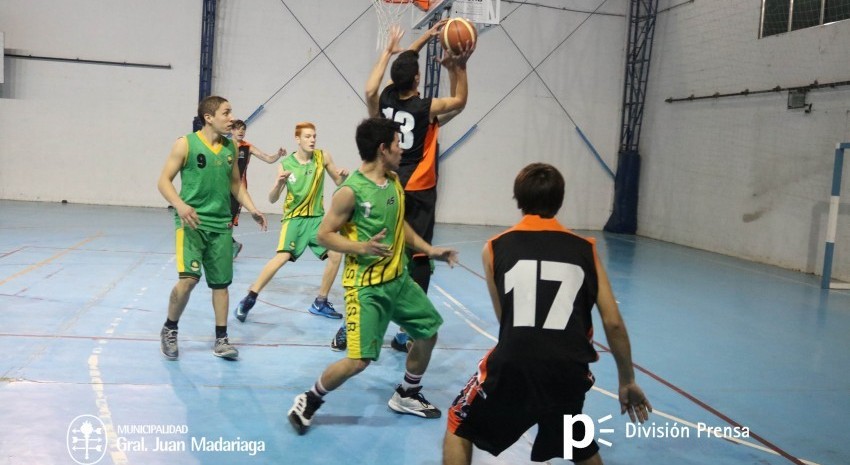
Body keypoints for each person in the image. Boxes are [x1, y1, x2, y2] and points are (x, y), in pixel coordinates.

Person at [442, 163, 652, 464]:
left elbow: (506, 320)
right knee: (576, 442)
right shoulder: (586, 249)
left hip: (515, 365)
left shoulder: (494, 248)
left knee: (458, 424)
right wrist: (627, 381)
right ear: (560, 200)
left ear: (518, 198)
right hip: (569, 371)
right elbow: (613, 323)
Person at [287, 117, 459, 435]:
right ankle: (309, 399)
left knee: (428, 332)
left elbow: (399, 224)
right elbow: (325, 235)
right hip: (365, 288)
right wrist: (361, 247)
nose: (401, 148)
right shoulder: (350, 191)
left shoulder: (393, 180)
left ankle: (407, 394)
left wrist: (428, 249)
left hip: (399, 281)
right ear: (383, 149)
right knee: (358, 361)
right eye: (397, 144)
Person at [331, 23, 472, 353]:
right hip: (418, 186)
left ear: (395, 79)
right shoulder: (426, 109)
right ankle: (408, 332)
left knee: (378, 249)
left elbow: (370, 89)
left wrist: (395, 48)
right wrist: (458, 67)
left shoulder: (385, 99)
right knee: (419, 256)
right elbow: (461, 100)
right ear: (418, 80)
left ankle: (348, 325)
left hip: (387, 185)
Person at [157, 96, 268, 361]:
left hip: (221, 224)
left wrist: (252, 208)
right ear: (209, 117)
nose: (232, 118)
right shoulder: (185, 144)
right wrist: (180, 206)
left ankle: (222, 339)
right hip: (191, 223)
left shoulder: (231, 147)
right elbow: (163, 182)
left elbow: (235, 184)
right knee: (188, 281)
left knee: (221, 285)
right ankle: (169, 328)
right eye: (226, 113)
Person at [233, 122, 349, 322]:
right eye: (307, 136)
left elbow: (338, 182)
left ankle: (320, 302)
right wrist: (278, 184)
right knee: (282, 257)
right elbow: (272, 199)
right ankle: (249, 298)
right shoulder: (286, 164)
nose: (312, 140)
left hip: (316, 220)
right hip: (294, 220)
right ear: (297, 139)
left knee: (336, 254)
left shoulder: (323, 157)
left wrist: (343, 177)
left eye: (314, 136)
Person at [229, 119, 286, 259]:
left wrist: (277, 155)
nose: (241, 131)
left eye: (243, 129)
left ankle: (230, 246)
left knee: (229, 219)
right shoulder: (224, 146)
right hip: (222, 187)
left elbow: (268, 158)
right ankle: (230, 245)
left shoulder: (248, 147)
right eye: (238, 129)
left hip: (239, 189)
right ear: (231, 131)